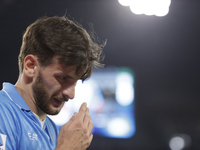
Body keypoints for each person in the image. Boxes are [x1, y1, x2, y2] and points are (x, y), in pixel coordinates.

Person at [0, 15, 105, 150]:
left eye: (75, 81)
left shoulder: (54, 131)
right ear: (31, 66)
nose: (71, 94)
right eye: (63, 78)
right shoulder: (3, 112)